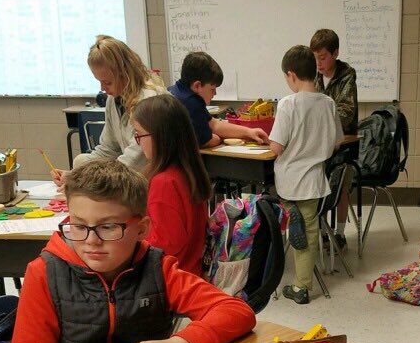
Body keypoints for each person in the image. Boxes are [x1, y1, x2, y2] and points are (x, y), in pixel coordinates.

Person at [11, 160, 256, 343]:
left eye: (108, 227)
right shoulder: (44, 273)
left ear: (142, 229)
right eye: (78, 225)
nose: (91, 240)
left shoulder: (157, 268)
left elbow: (235, 311)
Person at [269, 44, 342, 305]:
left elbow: (276, 147)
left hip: (288, 181)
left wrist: (269, 141)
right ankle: (302, 283)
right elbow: (336, 142)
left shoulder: (288, 104)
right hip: (313, 181)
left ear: (291, 75)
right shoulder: (328, 103)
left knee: (296, 228)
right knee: (309, 230)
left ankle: (300, 283)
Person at [53, 36, 166, 185]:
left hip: (150, 172)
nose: (102, 89)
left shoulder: (149, 100)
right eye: (99, 82)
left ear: (125, 73)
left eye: (107, 82)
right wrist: (76, 175)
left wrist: (87, 179)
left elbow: (137, 159)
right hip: (130, 168)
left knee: (87, 178)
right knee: (81, 162)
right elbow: (108, 148)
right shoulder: (114, 99)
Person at [131, 93, 211, 276]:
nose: (138, 142)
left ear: (160, 136)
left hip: (171, 280)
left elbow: (167, 243)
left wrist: (131, 237)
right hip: (189, 273)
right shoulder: (186, 170)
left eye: (139, 135)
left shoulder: (164, 182)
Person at [310, 28, 358, 250]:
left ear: (335, 54)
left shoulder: (347, 75)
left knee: (341, 183)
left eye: (323, 57)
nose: (318, 63)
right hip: (319, 142)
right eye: (315, 58)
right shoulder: (313, 75)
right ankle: (320, 230)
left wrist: (321, 116)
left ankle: (339, 233)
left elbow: (346, 114)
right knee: (315, 179)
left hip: (344, 144)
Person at [168, 52, 270, 148]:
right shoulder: (191, 102)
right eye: (212, 89)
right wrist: (218, 138)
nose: (215, 93)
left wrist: (248, 132)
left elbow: (214, 124)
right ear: (197, 85)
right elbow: (208, 141)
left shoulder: (174, 90)